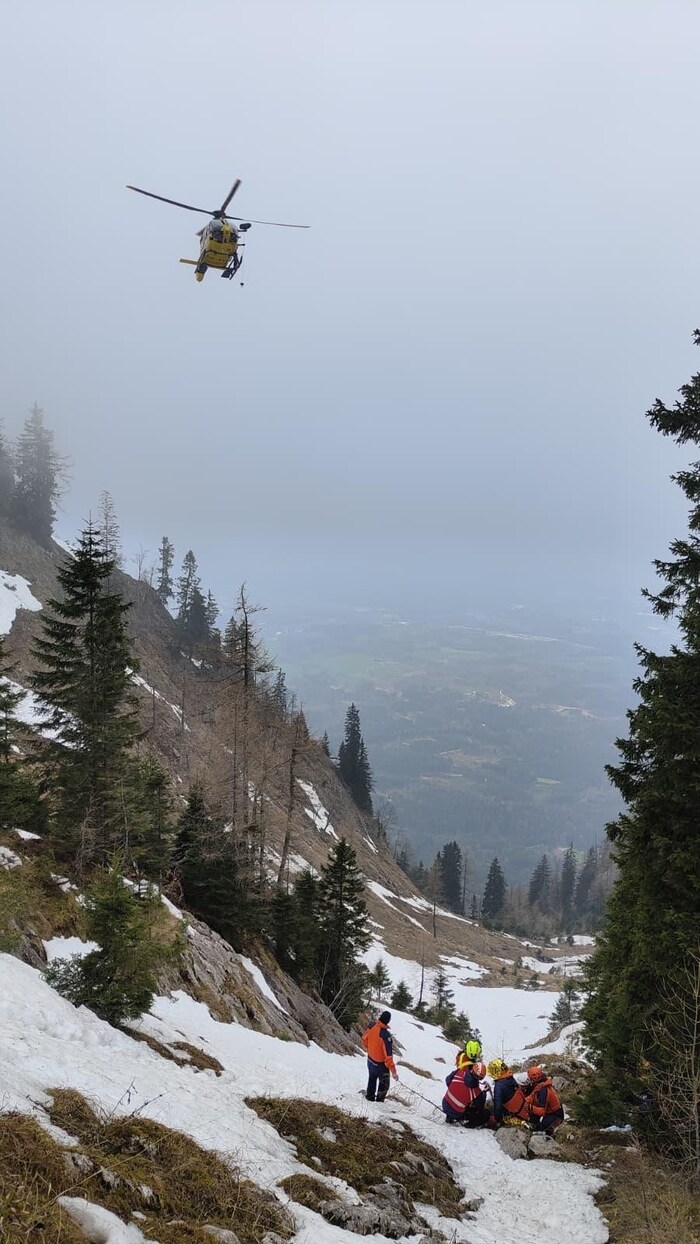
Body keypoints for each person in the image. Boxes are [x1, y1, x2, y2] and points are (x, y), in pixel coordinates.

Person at [442, 1060, 494, 1127]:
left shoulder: (460, 1072)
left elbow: (448, 1080)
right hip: (457, 1113)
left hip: (445, 1103)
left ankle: (449, 1117)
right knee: (485, 1114)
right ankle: (470, 1125)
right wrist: (484, 1093)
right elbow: (480, 1107)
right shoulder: (475, 1091)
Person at [361, 1010, 398, 1102]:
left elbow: (364, 1039)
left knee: (372, 1079)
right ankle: (379, 1102)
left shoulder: (372, 1026)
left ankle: (369, 1098)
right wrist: (393, 1072)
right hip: (380, 1065)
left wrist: (369, 1049)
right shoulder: (385, 1035)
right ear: (388, 1021)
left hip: (370, 1060)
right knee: (385, 1085)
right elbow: (388, 1056)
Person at [487, 1058, 529, 1127]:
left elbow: (498, 1105)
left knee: (490, 1107)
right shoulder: (510, 1077)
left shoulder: (499, 1086)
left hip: (514, 1113)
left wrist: (496, 1119)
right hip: (523, 1109)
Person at [524, 1066, 564, 1135]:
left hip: (555, 1114)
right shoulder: (539, 1085)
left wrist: (529, 1107)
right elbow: (532, 1096)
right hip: (549, 1112)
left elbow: (542, 1111)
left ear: (534, 1079)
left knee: (541, 1131)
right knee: (532, 1121)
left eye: (530, 1078)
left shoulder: (543, 1090)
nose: (529, 1080)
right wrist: (523, 1101)